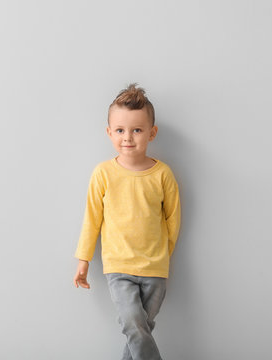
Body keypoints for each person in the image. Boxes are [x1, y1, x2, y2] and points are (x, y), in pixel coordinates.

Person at [73, 83, 181, 360]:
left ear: (151, 133)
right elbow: (92, 219)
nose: (128, 138)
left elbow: (173, 219)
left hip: (156, 268)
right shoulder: (103, 173)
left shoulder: (163, 174)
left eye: (137, 130)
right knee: (134, 324)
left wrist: (163, 254)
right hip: (119, 267)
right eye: (120, 130)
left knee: (141, 329)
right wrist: (83, 260)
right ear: (109, 132)